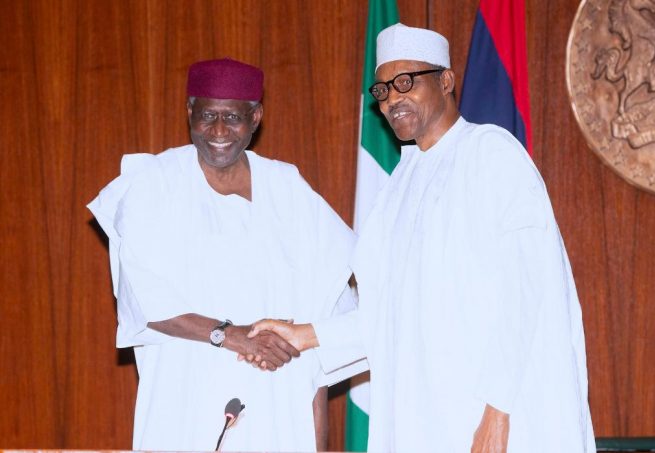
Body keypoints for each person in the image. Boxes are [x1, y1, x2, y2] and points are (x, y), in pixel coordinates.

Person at [248, 24, 596, 452]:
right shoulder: (398, 188)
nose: (393, 99)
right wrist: (303, 335)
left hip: (487, 415)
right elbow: (393, 316)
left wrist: (499, 411)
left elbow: (524, 291)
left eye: (406, 83)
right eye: (383, 91)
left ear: (446, 81)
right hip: (423, 418)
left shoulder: (490, 153)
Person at [88, 58, 361, 452]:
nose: (218, 131)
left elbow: (326, 318)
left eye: (232, 117)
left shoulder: (289, 189)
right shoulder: (153, 185)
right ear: (189, 113)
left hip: (279, 409)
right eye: (207, 116)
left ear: (256, 117)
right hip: (184, 404)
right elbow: (145, 300)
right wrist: (232, 336)